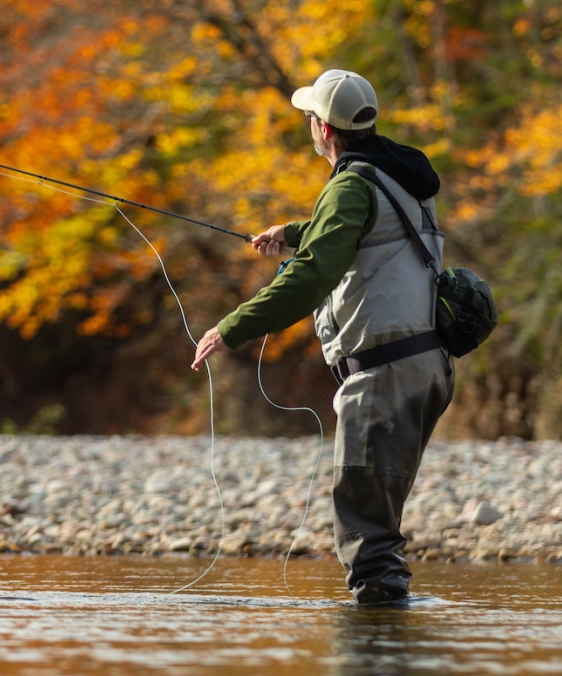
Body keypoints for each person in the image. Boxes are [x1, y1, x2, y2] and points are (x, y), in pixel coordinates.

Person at [190, 68, 451, 606]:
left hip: (383, 371)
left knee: (365, 530)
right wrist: (291, 234)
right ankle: (392, 649)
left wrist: (229, 328)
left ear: (324, 131)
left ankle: (375, 666)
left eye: (310, 116)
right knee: (377, 518)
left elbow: (311, 277)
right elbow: (369, 233)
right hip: (426, 366)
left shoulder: (352, 185)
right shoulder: (397, 175)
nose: (309, 125)